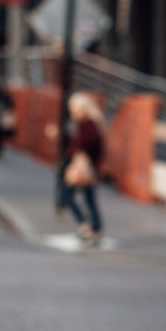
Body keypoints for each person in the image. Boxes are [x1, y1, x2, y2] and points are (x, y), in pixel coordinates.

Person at [63, 91, 105, 245]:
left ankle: (89, 227)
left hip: (86, 168)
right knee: (88, 199)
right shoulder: (85, 124)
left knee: (70, 195)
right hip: (87, 167)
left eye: (75, 109)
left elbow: (81, 145)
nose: (73, 113)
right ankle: (92, 229)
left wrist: (74, 149)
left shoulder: (89, 126)